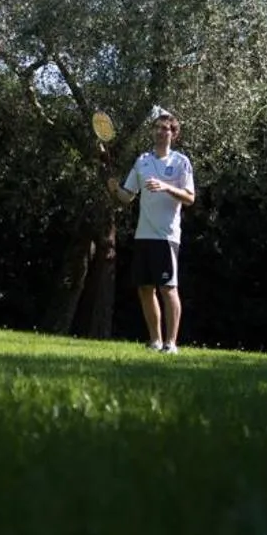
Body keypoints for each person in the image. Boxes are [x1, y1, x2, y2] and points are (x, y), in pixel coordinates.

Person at [107, 109, 196, 353]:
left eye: (165, 128)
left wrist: (165, 187)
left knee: (168, 288)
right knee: (145, 288)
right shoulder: (142, 161)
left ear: (173, 134)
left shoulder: (181, 162)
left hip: (166, 236)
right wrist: (115, 189)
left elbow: (190, 198)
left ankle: (171, 343)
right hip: (143, 235)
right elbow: (127, 196)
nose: (159, 132)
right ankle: (155, 341)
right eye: (156, 128)